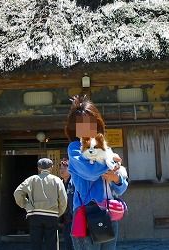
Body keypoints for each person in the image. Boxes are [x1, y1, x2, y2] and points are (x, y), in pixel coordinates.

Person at [66, 95, 128, 250]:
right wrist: (109, 161)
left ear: (97, 124)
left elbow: (121, 188)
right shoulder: (74, 148)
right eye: (81, 124)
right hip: (86, 213)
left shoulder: (106, 148)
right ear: (74, 127)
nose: (86, 128)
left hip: (109, 212)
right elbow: (90, 172)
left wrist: (116, 178)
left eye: (90, 122)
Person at [14, 158, 68, 250]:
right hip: (51, 215)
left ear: (38, 168)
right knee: (52, 244)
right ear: (51, 167)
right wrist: (58, 212)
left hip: (34, 215)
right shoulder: (57, 180)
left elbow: (17, 193)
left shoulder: (31, 179)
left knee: (35, 243)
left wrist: (26, 205)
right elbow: (64, 200)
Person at [59, 158, 75, 250]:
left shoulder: (74, 182)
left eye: (65, 168)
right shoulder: (60, 183)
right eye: (61, 168)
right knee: (68, 243)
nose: (62, 170)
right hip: (65, 219)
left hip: (74, 217)